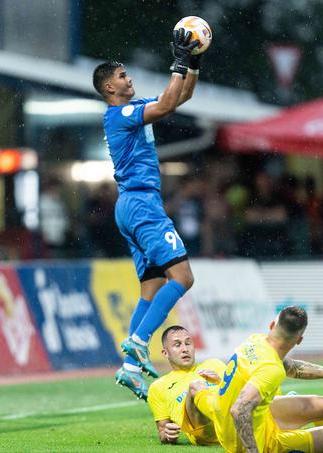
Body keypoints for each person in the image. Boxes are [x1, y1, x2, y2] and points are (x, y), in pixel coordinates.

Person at [92, 28, 200, 399]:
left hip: (131, 205)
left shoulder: (131, 111)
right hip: (142, 205)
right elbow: (168, 105)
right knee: (183, 278)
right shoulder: (120, 115)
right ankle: (138, 341)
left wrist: (194, 61)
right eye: (122, 76)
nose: (129, 78)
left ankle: (130, 367)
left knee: (152, 290)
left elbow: (178, 96)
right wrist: (179, 60)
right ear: (109, 88)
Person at [193, 306, 323, 453]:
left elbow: (293, 368)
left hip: (242, 419)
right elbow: (239, 410)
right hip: (244, 441)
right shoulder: (271, 369)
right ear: (299, 340)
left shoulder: (256, 340)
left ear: (272, 325)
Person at [148, 325, 225, 446]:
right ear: (165, 353)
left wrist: (221, 382)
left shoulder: (215, 364)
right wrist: (168, 435)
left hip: (230, 423)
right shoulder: (158, 387)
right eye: (177, 345)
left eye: (188, 343)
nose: (185, 349)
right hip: (205, 432)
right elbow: (163, 431)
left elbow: (238, 395)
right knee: (195, 387)